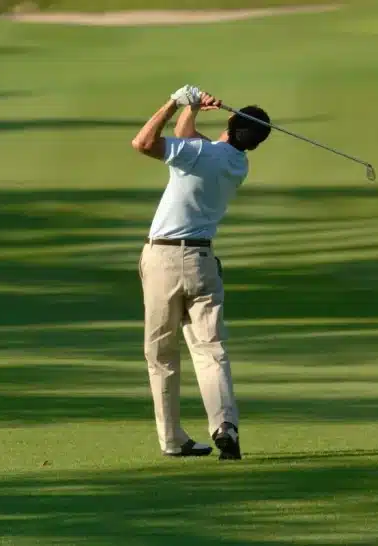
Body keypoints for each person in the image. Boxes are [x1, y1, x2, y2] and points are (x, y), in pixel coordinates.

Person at [129, 85, 272, 460]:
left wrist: (176, 103)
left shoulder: (198, 154)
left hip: (163, 260)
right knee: (210, 349)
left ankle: (173, 439)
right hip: (204, 263)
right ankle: (226, 425)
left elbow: (143, 143)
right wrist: (192, 111)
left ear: (230, 122)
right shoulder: (237, 164)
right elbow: (190, 142)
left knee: (162, 354)